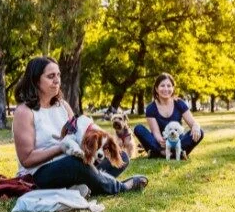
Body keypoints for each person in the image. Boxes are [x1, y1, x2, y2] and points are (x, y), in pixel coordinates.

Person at [12, 56, 148, 194]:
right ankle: (119, 187)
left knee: (120, 156)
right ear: (35, 80)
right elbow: (27, 159)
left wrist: (94, 144)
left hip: (71, 163)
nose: (57, 80)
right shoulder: (24, 112)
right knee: (77, 164)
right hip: (39, 174)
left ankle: (84, 185)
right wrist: (61, 148)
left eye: (58, 75)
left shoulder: (62, 105)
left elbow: (78, 134)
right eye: (51, 76)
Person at [133, 73, 203, 159]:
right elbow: (156, 132)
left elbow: (193, 123)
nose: (166, 89)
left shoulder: (179, 103)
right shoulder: (151, 108)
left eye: (169, 86)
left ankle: (161, 153)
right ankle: (168, 152)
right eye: (162, 86)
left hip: (178, 141)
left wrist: (196, 127)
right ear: (156, 88)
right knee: (138, 129)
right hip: (160, 142)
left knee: (200, 132)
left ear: (173, 88)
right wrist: (162, 141)